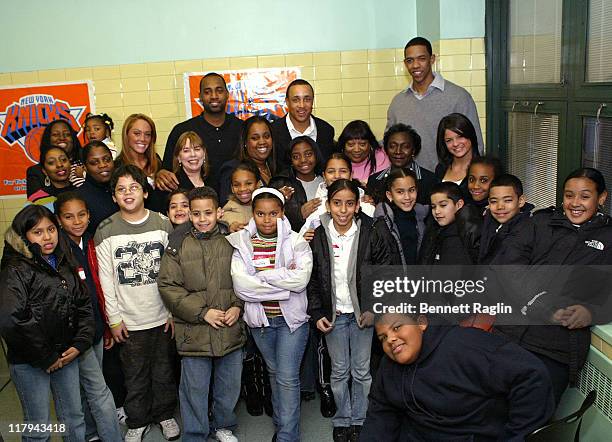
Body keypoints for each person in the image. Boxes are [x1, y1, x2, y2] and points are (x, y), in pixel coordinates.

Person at [495, 167, 612, 405]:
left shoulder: (609, 239)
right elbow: (507, 266)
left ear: (601, 198)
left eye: (585, 196)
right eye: (569, 195)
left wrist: (592, 312)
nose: (575, 203)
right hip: (506, 334)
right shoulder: (540, 223)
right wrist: (541, 304)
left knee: (527, 420)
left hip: (554, 350)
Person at [361, 313, 554, 441]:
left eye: (396, 328)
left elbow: (531, 375)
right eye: (383, 337)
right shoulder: (388, 366)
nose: (391, 340)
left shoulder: (465, 346)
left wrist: (516, 437)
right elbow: (381, 412)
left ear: (421, 323)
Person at [94, 165, 179, 441]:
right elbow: (105, 280)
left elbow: (172, 273)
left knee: (163, 370)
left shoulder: (162, 224)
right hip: (128, 321)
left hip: (162, 315)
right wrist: (114, 319)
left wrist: (172, 312)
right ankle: (138, 419)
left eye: (133, 187)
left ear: (145, 191)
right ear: (114, 197)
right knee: (134, 374)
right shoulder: (105, 231)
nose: (127, 193)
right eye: (121, 189)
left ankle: (165, 415)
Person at [0, 205, 94, 441]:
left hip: (67, 355)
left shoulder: (62, 258)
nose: (47, 237)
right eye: (37, 232)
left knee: (74, 418)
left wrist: (80, 342)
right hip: (31, 361)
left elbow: (83, 303)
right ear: (24, 236)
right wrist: (45, 356)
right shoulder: (15, 268)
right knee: (38, 428)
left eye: (51, 229)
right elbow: (10, 319)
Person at [159, 186, 245, 442]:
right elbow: (167, 286)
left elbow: (247, 278)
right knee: (194, 389)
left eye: (208, 212)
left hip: (229, 328)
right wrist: (202, 313)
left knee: (228, 384)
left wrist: (237, 305)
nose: (203, 218)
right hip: (193, 332)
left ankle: (223, 425)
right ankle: (196, 433)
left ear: (219, 212)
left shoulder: (232, 240)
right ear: (189, 214)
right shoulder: (178, 245)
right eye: (196, 214)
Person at [307, 179, 390, 442]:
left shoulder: (371, 231)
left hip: (362, 315)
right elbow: (311, 278)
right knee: (340, 370)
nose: (343, 210)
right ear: (328, 205)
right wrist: (318, 312)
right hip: (334, 315)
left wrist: (373, 308)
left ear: (357, 206)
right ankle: (342, 420)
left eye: (349, 204)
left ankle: (360, 419)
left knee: (362, 371)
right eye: (337, 203)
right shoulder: (318, 235)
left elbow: (383, 273)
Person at [227, 188, 313, 442]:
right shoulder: (242, 242)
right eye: (261, 214)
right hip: (261, 322)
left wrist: (261, 277)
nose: (267, 219)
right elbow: (242, 287)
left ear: (282, 213)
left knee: (287, 377)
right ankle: (282, 421)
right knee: (274, 372)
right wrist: (281, 280)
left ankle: (287, 436)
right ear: (253, 214)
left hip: (291, 323)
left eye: (273, 213)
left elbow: (300, 281)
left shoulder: (296, 241)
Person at [54, 192, 122, 441]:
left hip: (95, 328)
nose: (77, 221)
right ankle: (100, 434)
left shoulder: (91, 243)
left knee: (92, 386)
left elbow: (99, 291)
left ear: (89, 216)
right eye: (69, 217)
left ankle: (95, 432)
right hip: (73, 335)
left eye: (81, 215)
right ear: (59, 220)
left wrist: (104, 327)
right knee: (92, 391)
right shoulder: (58, 250)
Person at [386, 36, 483, 171]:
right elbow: (389, 143)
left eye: (421, 58)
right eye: (410, 60)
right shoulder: (398, 102)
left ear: (432, 59)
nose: (415, 65)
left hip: (446, 182)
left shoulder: (458, 97)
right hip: (408, 183)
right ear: (405, 63)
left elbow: (476, 145)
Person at [158, 72, 243, 194]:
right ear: (200, 97)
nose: (214, 96)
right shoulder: (182, 130)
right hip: (196, 204)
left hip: (237, 202)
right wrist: (161, 174)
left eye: (219, 91)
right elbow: (167, 171)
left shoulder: (241, 128)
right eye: (207, 92)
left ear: (227, 94)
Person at [299, 153, 375, 238]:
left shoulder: (366, 205)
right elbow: (300, 242)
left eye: (343, 171)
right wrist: (304, 240)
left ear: (351, 175)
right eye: (331, 171)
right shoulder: (315, 207)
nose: (337, 176)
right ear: (324, 176)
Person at [271, 79, 336, 170]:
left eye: (307, 99)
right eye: (295, 100)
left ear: (312, 101)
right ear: (287, 102)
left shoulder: (326, 130)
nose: (301, 105)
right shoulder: (273, 131)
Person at [366, 123, 438, 205]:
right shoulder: (374, 180)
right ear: (386, 149)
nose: (398, 151)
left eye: (405, 146)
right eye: (392, 146)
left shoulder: (430, 180)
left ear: (413, 150)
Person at [371, 168, 429, 266]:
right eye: (400, 192)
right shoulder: (383, 222)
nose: (407, 197)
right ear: (390, 195)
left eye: (411, 190)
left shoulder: (423, 215)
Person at [269, 136, 326, 232]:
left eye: (308, 154)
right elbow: (270, 221)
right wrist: (299, 215)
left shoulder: (327, 181)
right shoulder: (281, 183)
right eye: (296, 157)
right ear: (290, 160)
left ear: (316, 155)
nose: (303, 160)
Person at [218, 115, 277, 206]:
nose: (262, 142)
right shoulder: (233, 168)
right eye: (255, 138)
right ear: (245, 142)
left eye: (266, 136)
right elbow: (226, 207)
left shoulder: (277, 167)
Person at [419, 182, 482, 265]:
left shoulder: (460, 237)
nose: (437, 211)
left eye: (443, 205)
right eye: (433, 207)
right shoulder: (435, 231)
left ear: (459, 204)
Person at [478, 174, 533, 265]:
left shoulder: (527, 231)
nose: (500, 207)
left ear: (521, 201)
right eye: (494, 201)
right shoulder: (488, 220)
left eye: (507, 200)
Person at [149, 131, 208, 213]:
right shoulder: (168, 184)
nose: (193, 154)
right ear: (178, 157)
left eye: (197, 149)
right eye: (186, 150)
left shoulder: (214, 181)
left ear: (204, 154)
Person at [26, 119, 85, 196]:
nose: (62, 138)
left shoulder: (86, 163)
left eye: (67, 134)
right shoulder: (36, 172)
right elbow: (36, 203)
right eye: (55, 135)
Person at [76, 141, 119, 234]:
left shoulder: (123, 189)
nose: (103, 165)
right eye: (94, 162)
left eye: (107, 159)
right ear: (85, 167)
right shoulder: (79, 198)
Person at [435, 113, 481, 201]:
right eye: (449, 140)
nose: (455, 144)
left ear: (470, 136)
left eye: (460, 137)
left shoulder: (483, 168)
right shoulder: (441, 168)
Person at [115, 113, 161, 188]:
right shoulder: (118, 167)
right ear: (126, 135)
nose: (143, 139)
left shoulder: (156, 161)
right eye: (137, 133)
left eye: (147, 134)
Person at [338, 120, 389, 186]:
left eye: (362, 144)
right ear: (343, 146)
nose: (357, 150)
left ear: (370, 144)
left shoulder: (384, 158)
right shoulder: (336, 163)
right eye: (350, 145)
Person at [27, 144, 76, 211]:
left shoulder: (82, 193)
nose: (59, 165)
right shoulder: (36, 200)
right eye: (51, 162)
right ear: (44, 171)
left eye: (63, 160)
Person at [221, 161, 260, 232]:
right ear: (232, 188)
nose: (242, 189)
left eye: (248, 183)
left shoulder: (265, 208)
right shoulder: (226, 213)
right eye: (236, 185)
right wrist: (229, 226)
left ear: (258, 184)